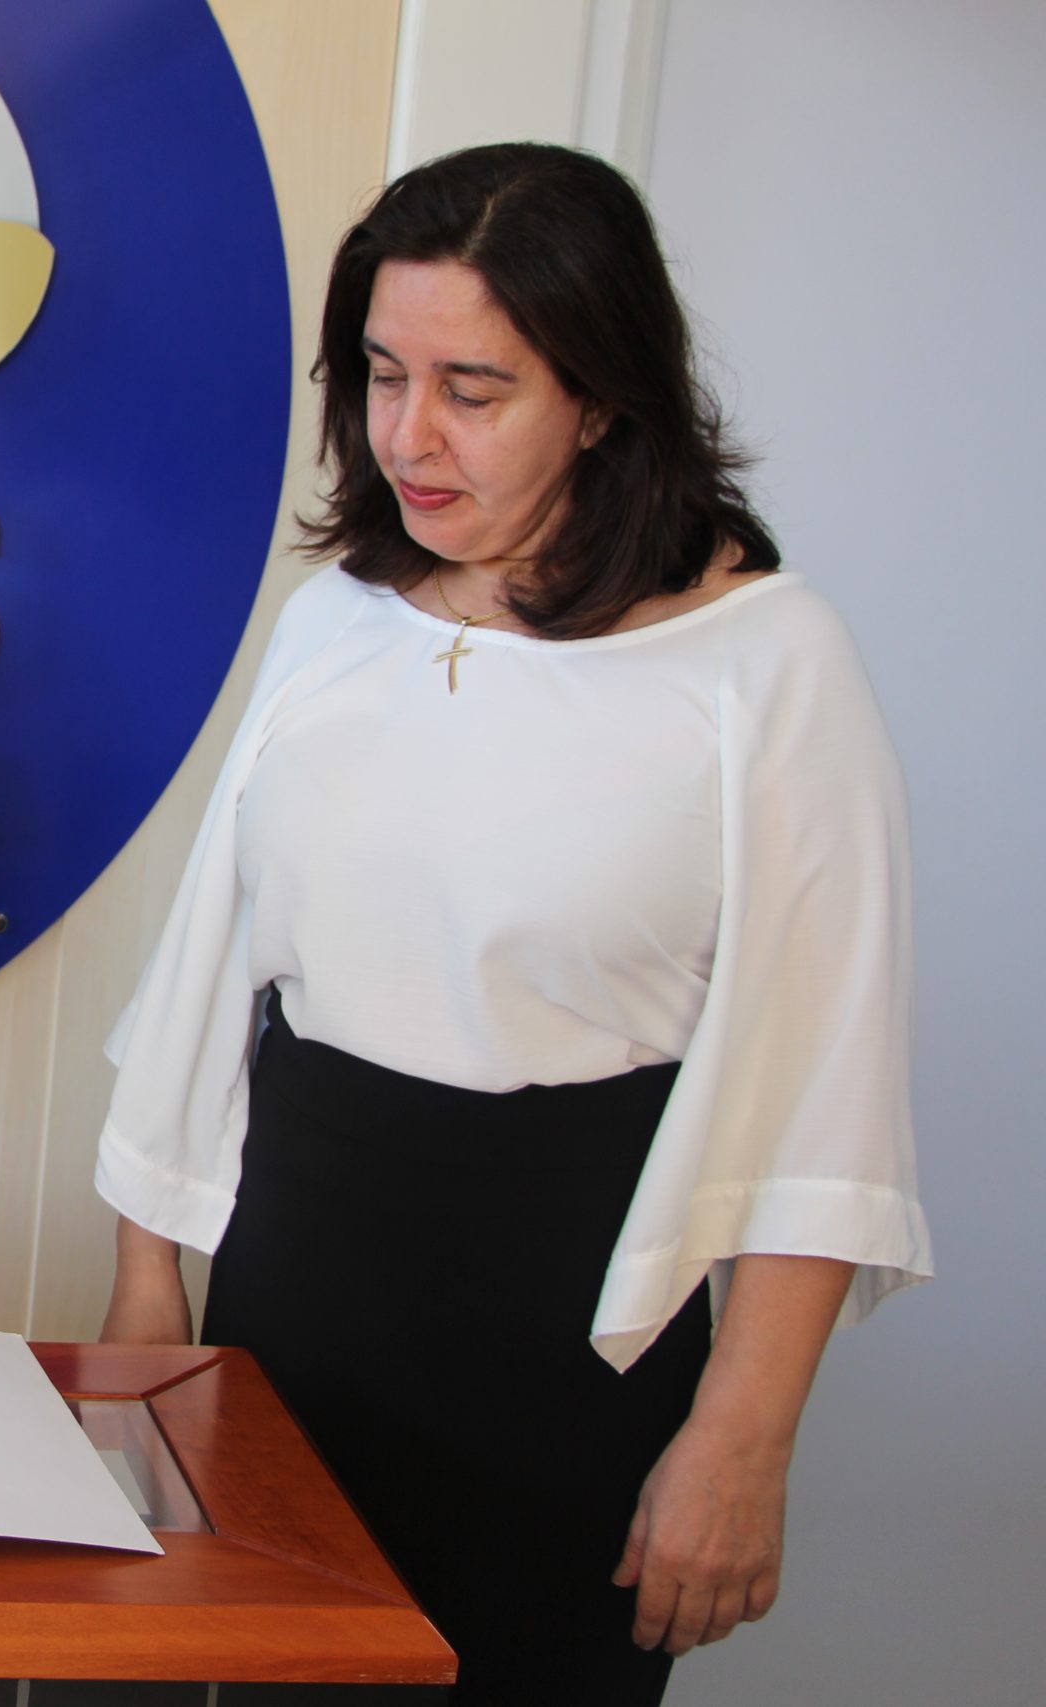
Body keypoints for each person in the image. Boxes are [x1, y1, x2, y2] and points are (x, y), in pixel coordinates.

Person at [93, 143, 931, 1704]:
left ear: (602, 397)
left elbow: (828, 1094)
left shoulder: (770, 662)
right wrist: (149, 1292)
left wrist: (743, 1438)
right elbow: (208, 965)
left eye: (472, 390)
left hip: (566, 1331)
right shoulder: (335, 616)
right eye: (382, 374)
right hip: (292, 1293)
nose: (408, 435)